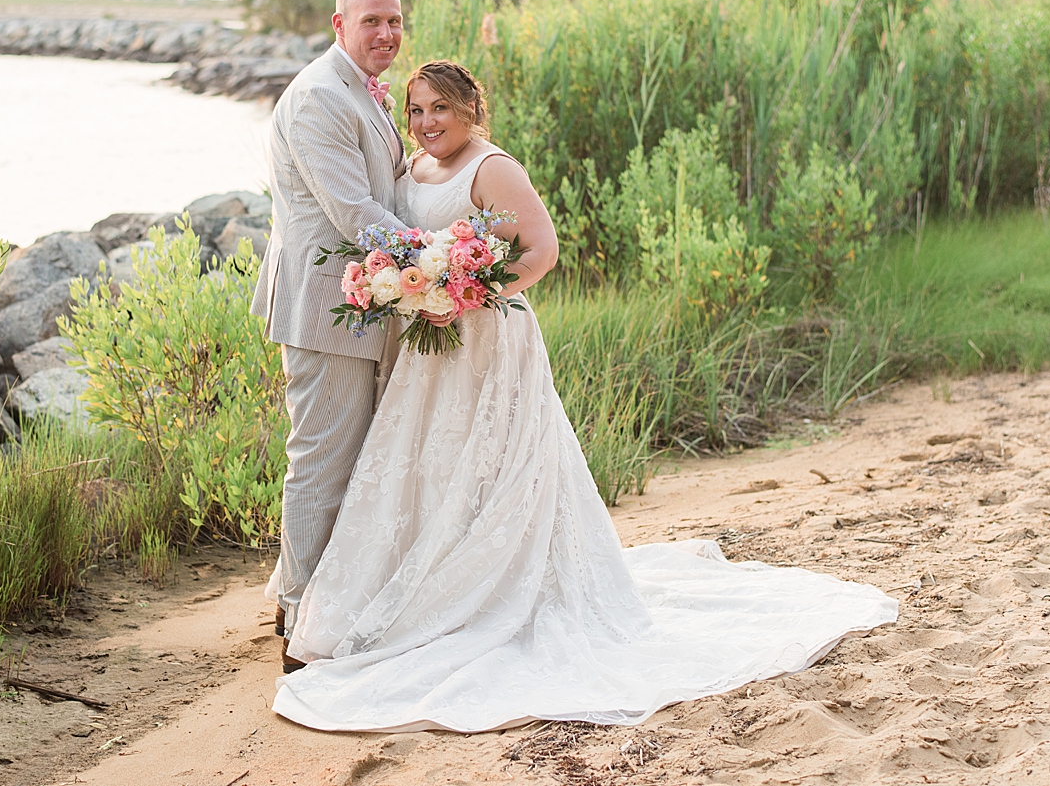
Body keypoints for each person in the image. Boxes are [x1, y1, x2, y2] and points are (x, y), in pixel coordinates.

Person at [269, 60, 899, 733]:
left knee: (498, 468)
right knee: (433, 472)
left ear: (469, 111)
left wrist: (466, 294)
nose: (426, 123)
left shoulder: (491, 167)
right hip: (430, 351)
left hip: (488, 342)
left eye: (440, 111)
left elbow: (541, 250)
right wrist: (419, 288)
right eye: (417, 110)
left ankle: (494, 589)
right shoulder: (413, 169)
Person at [252, 0, 445, 674]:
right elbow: (354, 213)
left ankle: (307, 599)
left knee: (347, 462)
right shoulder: (317, 99)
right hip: (322, 312)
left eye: (395, 21)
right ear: (339, 25)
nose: (387, 34)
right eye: (372, 22)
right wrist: (442, 262)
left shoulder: (359, 89)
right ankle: (299, 626)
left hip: (361, 310)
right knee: (320, 464)